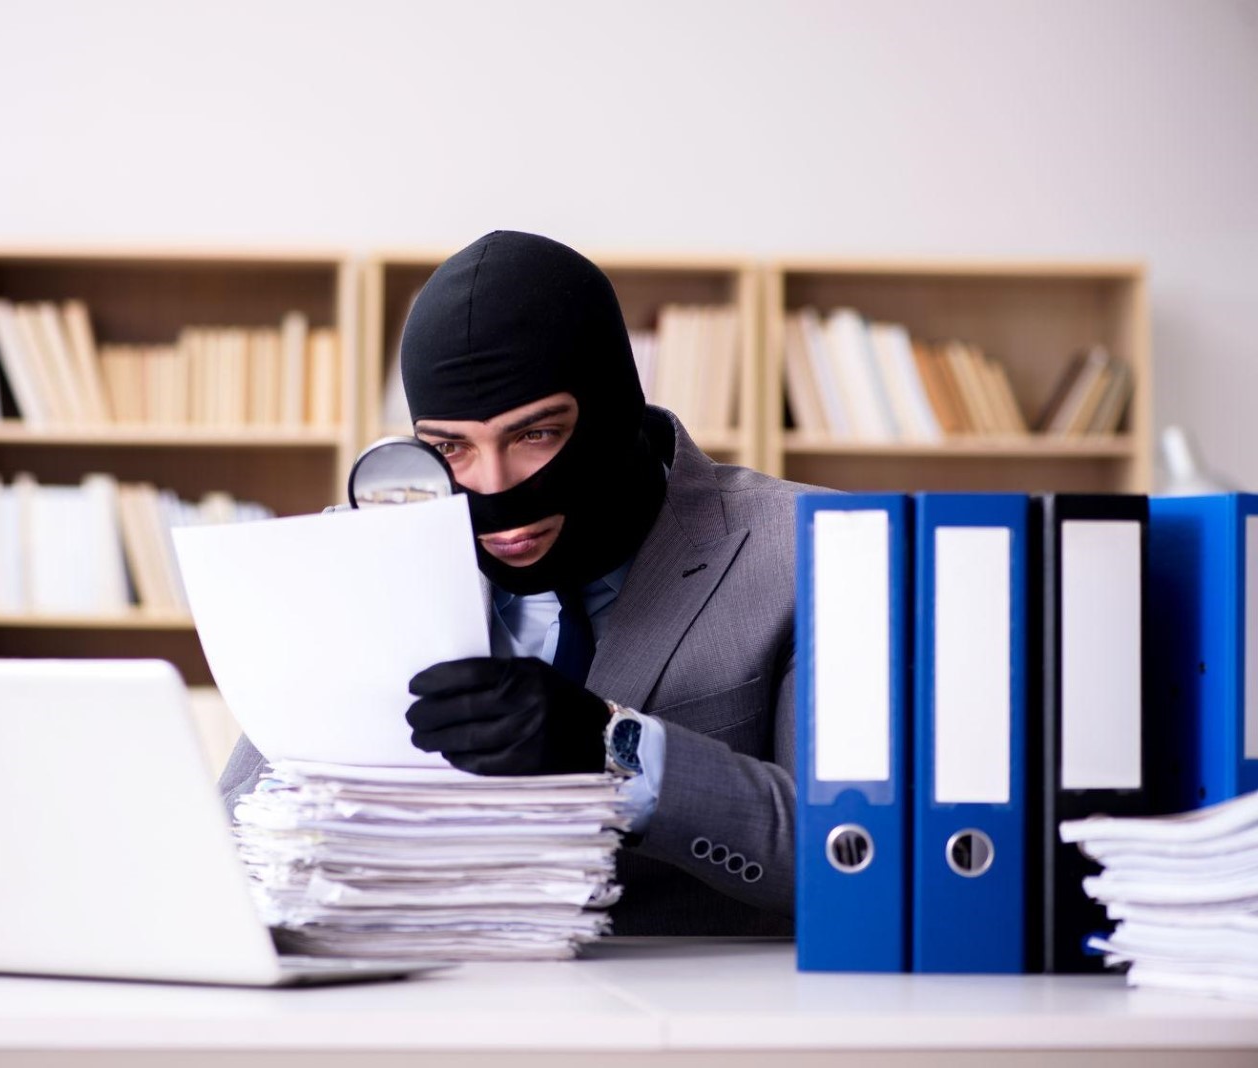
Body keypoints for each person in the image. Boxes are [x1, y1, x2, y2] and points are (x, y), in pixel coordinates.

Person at [220, 231, 818, 936]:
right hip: (423, 987)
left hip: (700, 998)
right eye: (451, 446)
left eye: (535, 434)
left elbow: (858, 856)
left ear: (614, 408)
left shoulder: (809, 550)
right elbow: (234, 835)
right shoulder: (367, 555)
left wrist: (617, 752)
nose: (494, 487)